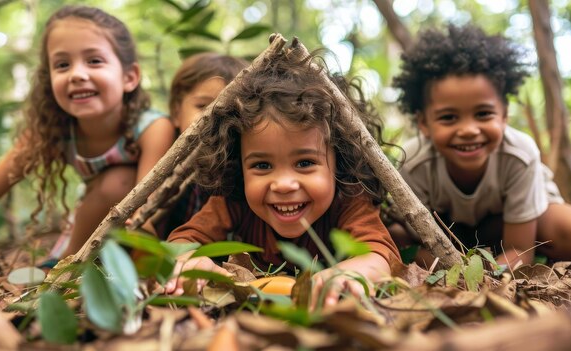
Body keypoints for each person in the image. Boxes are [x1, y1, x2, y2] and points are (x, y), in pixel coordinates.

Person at [163, 49, 402, 308]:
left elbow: (381, 255)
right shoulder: (235, 197)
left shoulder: (349, 197)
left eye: (305, 163)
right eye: (263, 165)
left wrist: (351, 273)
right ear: (238, 165)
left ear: (340, 160)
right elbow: (182, 242)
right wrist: (193, 262)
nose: (284, 184)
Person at [393, 24, 571, 269]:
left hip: (515, 225)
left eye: (483, 114)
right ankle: (465, 259)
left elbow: (519, 249)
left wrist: (489, 276)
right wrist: (454, 270)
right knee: (394, 236)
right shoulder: (415, 162)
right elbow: (418, 238)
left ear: (504, 116)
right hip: (449, 232)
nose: (469, 130)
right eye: (449, 117)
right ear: (424, 124)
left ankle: (508, 255)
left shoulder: (519, 154)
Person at [0, 5, 175, 261]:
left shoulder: (153, 128)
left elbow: (146, 212)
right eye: (62, 64)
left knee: (119, 181)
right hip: (85, 236)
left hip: (144, 239)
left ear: (129, 77)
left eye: (94, 61)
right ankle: (64, 270)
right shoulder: (52, 130)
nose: (77, 75)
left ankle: (72, 272)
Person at [153, 52, 249, 239]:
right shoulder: (164, 163)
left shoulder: (239, 172)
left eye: (231, 112)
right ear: (176, 111)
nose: (215, 119)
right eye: (203, 106)